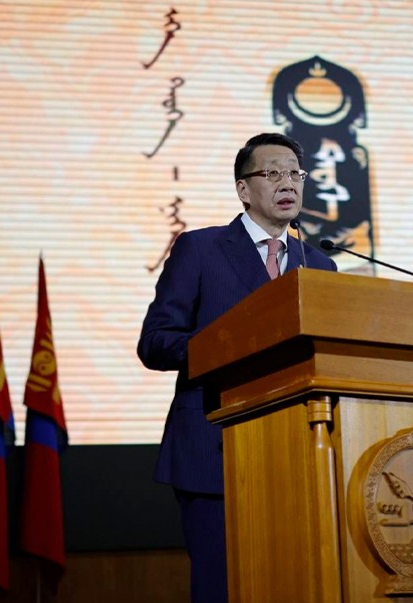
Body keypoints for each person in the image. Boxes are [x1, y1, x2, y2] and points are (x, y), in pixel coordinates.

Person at [137, 133, 337, 603]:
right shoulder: (201, 248)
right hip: (214, 448)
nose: (287, 183)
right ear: (243, 189)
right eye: (273, 173)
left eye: (295, 173)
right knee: (222, 587)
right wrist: (229, 347)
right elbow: (156, 342)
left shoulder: (319, 265)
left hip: (297, 453)